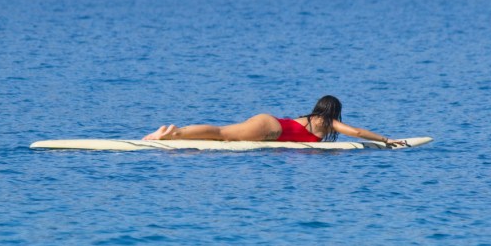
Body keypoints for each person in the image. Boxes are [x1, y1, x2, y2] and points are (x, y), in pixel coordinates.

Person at [142, 95, 407, 146]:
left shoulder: (310, 117)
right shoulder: (327, 122)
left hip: (270, 122)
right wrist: (386, 139)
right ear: (333, 112)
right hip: (270, 129)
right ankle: (173, 133)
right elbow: (357, 132)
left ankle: (176, 132)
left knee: (223, 132)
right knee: (222, 135)